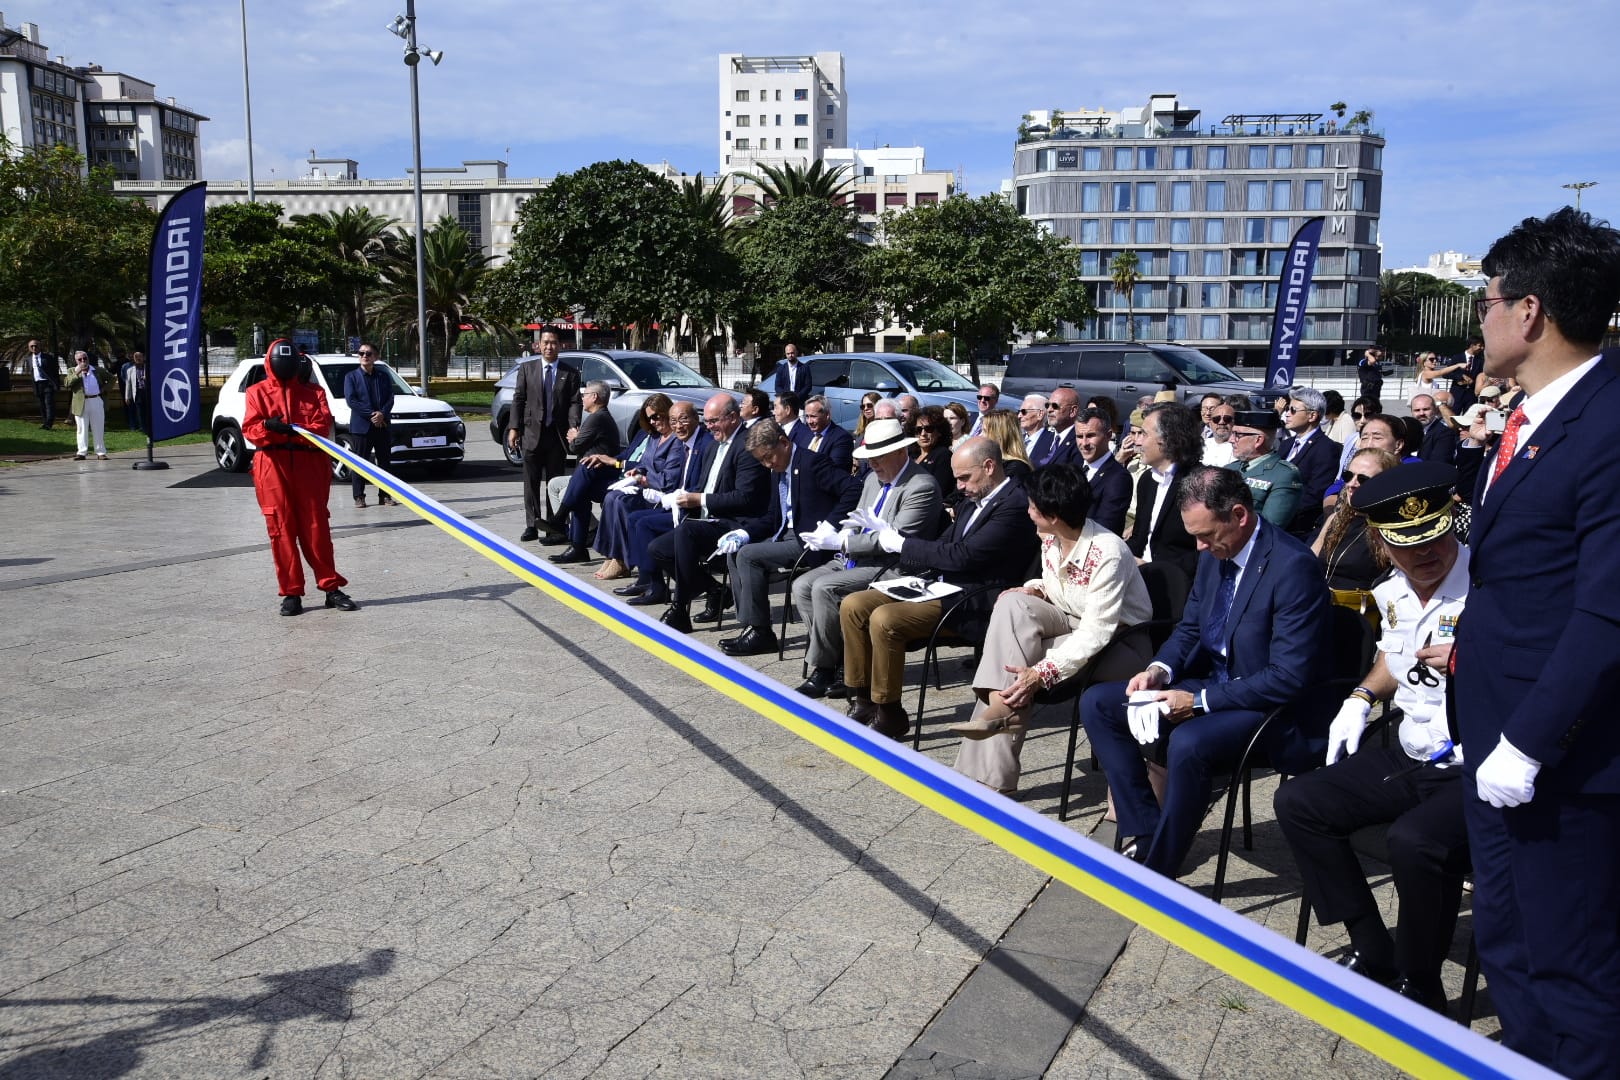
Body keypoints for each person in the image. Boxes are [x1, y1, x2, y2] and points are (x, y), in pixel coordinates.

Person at [1452, 207, 1620, 1078]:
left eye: (1484, 304)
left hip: (1559, 752)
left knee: (1573, 966)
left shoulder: (1608, 420)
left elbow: (1605, 613)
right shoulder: (1531, 415)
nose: (1478, 323)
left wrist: (1527, 741)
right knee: (1511, 948)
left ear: (1529, 312)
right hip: (1492, 730)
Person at [1275, 462, 1470, 1013]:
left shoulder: (1493, 587)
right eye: (1408, 544)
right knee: (1299, 801)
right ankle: (1371, 942)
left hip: (1476, 762)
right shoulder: (1391, 592)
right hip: (1414, 748)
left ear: (1450, 522)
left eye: (1434, 536)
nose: (1425, 553)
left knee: (1413, 842)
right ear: (1384, 541)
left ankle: (1420, 982)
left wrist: (1473, 661)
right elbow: (1392, 656)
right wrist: (1361, 698)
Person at [1081, 466, 1332, 877]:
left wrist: (1196, 702)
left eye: (1206, 535)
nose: (1198, 547)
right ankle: (1146, 833)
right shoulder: (1218, 553)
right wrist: (1159, 670)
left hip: (1271, 706)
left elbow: (1287, 677)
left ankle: (1160, 865)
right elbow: (1193, 626)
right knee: (1100, 703)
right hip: (1217, 680)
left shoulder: (1292, 567)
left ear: (1239, 515)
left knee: (1190, 742)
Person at [950, 465, 1154, 793]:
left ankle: (991, 762)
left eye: (1033, 507)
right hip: (1071, 621)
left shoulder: (1108, 553)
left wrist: (1039, 674)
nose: (1028, 511)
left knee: (1020, 665)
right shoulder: (1053, 537)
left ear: (1053, 515)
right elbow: (1057, 583)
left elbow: (1096, 632)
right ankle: (1001, 715)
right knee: (1011, 604)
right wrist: (1035, 588)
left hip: (1121, 643)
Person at [840, 438, 1039, 740]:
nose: (958, 486)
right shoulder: (975, 499)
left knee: (885, 619)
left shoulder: (1013, 504)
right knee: (854, 605)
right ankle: (863, 697)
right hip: (944, 586)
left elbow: (965, 556)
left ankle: (889, 709)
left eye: (964, 477)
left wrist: (902, 543)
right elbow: (945, 545)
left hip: (976, 600)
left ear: (989, 467)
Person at [792, 418, 943, 699]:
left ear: (900, 453)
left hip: (894, 567)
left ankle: (825, 668)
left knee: (825, 588)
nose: (872, 464)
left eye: (878, 458)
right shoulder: (874, 478)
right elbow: (857, 518)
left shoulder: (921, 485)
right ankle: (840, 660)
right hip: (856, 558)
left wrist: (843, 541)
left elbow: (896, 540)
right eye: (869, 458)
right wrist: (836, 534)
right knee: (802, 586)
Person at [717, 419, 861, 656]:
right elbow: (774, 515)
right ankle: (751, 626)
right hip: (784, 534)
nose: (767, 464)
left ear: (783, 442)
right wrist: (745, 533)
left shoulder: (812, 462)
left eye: (768, 457)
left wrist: (829, 526)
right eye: (761, 460)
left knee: (749, 556)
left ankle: (761, 632)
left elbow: (853, 489)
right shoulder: (778, 470)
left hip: (808, 539)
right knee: (736, 552)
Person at [242, 339, 357, 616]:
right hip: (272, 465)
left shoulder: (313, 392)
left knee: (316, 527)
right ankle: (291, 593)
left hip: (309, 466)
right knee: (280, 529)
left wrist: (292, 430)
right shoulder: (256, 392)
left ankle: (330, 587)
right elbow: (251, 429)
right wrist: (271, 427)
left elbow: (321, 426)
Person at [643, 393, 772, 632]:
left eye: (714, 421)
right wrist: (680, 498)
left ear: (733, 418)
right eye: (708, 421)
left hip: (736, 523)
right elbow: (703, 486)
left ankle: (680, 608)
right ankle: (715, 590)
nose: (709, 426)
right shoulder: (713, 445)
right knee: (657, 549)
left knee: (687, 532)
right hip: (707, 518)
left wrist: (698, 499)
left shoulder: (747, 446)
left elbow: (745, 498)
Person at [614, 402, 712, 599]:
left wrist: (666, 494)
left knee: (643, 524)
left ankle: (657, 586)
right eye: (674, 421)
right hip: (676, 501)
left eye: (683, 419)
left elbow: (681, 482)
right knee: (633, 517)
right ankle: (646, 579)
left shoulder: (702, 444)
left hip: (692, 509)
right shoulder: (682, 442)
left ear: (696, 419)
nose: (678, 426)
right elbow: (647, 464)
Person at [507, 329, 581, 543]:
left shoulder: (571, 373)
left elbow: (575, 402)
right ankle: (532, 524)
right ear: (538, 345)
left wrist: (573, 426)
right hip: (531, 434)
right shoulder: (527, 369)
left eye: (554, 343)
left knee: (554, 482)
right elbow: (518, 399)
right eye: (546, 343)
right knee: (530, 483)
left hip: (555, 437)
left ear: (560, 345)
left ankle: (553, 524)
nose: (550, 347)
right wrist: (514, 428)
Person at [591, 394, 673, 580]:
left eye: (657, 416)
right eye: (650, 418)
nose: (654, 422)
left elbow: (669, 477)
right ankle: (611, 554)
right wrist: (635, 472)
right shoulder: (654, 437)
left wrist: (642, 477)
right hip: (644, 485)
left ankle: (622, 560)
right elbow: (644, 463)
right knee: (612, 496)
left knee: (621, 501)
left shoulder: (675, 440)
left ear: (667, 413)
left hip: (658, 493)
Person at [1123, 401, 1202, 584]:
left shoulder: (1199, 483)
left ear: (1168, 439)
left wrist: (1153, 568)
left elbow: (1204, 554)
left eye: (1143, 434)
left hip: (1175, 586)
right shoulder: (1147, 481)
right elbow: (1139, 539)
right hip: (1137, 578)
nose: (1137, 441)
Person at [550, 381, 624, 564]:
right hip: (596, 474)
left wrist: (575, 437)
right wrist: (577, 438)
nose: (582, 398)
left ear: (595, 397)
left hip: (606, 474)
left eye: (585, 394)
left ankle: (560, 519)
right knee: (580, 493)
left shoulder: (598, 417)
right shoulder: (597, 417)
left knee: (586, 467)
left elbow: (575, 447)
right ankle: (578, 548)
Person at [1311, 448, 1397, 593]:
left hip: (1362, 609)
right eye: (1348, 476)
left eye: (1362, 479)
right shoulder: (1336, 518)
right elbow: (1309, 560)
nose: (1352, 484)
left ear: (1386, 482)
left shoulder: (1392, 527)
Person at [1277, 387, 1341, 535]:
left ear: (1312, 416)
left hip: (1298, 527)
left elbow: (1316, 493)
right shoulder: (1287, 444)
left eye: (1293, 410)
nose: (1287, 414)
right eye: (1287, 409)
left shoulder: (1326, 448)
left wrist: (1281, 510)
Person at [1226, 411, 1302, 529]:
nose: (1231, 439)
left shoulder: (1284, 475)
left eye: (1237, 434)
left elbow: (1270, 526)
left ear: (1258, 440)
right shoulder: (1230, 468)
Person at [342, 344, 396, 508]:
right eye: (361, 353)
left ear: (376, 357)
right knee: (360, 463)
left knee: (384, 462)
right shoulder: (351, 377)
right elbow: (352, 401)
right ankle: (359, 496)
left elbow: (390, 398)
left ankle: (385, 495)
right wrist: (372, 415)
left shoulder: (383, 376)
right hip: (362, 427)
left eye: (368, 353)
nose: (364, 356)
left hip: (382, 425)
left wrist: (382, 414)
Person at [1075, 409, 1131, 536]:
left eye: (1090, 436)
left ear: (1108, 435)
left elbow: (1106, 528)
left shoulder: (1118, 478)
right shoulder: (1073, 468)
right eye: (1079, 436)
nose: (1084, 443)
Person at [67, 351, 108, 461]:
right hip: (81, 402)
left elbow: (111, 378)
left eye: (84, 358)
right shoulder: (72, 371)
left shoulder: (97, 370)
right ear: (76, 361)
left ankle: (100, 452)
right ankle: (81, 452)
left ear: (88, 358)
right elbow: (67, 383)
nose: (83, 361)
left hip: (95, 399)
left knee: (98, 427)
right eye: (80, 359)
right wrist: (77, 372)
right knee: (81, 428)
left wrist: (104, 389)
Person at [912, 406, 957, 504]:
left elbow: (939, 490)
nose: (923, 434)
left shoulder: (943, 455)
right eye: (919, 430)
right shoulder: (911, 455)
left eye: (929, 429)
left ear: (939, 431)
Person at [800, 394, 854, 473]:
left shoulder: (842, 438)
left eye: (813, 416)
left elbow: (833, 471)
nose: (809, 421)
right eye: (807, 416)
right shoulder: (806, 434)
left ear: (827, 415)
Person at [979, 409, 1034, 483]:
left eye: (985, 431)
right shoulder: (994, 460)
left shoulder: (1016, 468)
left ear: (1000, 435)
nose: (980, 436)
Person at [1034, 387, 1081, 468]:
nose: (1049, 410)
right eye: (1047, 405)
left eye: (1055, 406)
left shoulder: (1079, 440)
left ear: (1072, 411)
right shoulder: (1044, 437)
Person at [1410, 394, 1458, 465]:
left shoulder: (1444, 433)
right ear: (1412, 412)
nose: (1421, 413)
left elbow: (1438, 464)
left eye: (1426, 409)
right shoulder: (1409, 430)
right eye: (1417, 410)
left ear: (1435, 410)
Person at [27, 339, 57, 429]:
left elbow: (55, 371)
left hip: (47, 384)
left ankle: (49, 424)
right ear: (29, 348)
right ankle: (45, 422)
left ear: (40, 347)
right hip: (37, 384)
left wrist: (56, 384)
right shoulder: (28, 359)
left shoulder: (48, 357)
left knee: (48, 404)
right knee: (41, 404)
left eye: (36, 346)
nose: (34, 347)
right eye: (32, 346)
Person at [1201, 401, 1238, 468]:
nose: (1221, 422)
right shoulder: (1201, 445)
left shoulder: (1240, 447)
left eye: (1227, 419)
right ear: (1210, 424)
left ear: (1235, 422)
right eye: (1216, 419)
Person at [119, 351, 148, 433]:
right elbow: (128, 384)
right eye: (136, 357)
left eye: (140, 357)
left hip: (147, 392)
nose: (138, 358)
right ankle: (143, 428)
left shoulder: (149, 367)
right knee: (140, 411)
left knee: (148, 410)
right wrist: (127, 397)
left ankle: (150, 426)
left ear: (143, 357)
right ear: (134, 359)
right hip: (137, 393)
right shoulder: (130, 370)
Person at [1019, 394, 1053, 461]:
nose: (1019, 416)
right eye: (1019, 411)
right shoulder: (1017, 440)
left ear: (1040, 414)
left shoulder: (1052, 442)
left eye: (1023, 412)